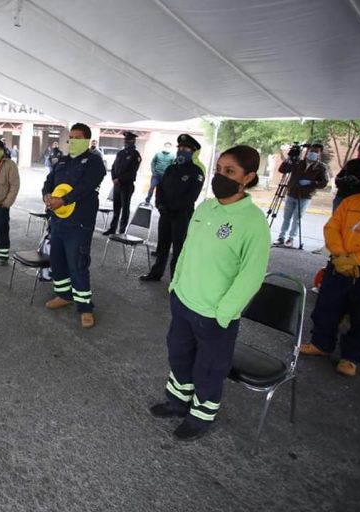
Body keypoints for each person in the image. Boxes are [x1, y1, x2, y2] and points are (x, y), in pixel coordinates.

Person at [150, 145, 270, 441]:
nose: (220, 176)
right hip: (184, 301)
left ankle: (201, 417)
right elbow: (187, 250)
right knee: (179, 355)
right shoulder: (206, 207)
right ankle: (177, 403)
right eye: (218, 169)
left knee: (208, 368)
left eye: (230, 171)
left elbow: (251, 276)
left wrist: (224, 312)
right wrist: (175, 285)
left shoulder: (253, 222)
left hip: (215, 314)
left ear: (249, 177)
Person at [300, 159, 360, 377]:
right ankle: (321, 343)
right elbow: (332, 227)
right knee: (327, 305)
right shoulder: (352, 202)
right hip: (339, 263)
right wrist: (339, 255)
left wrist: (358, 258)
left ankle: (351, 357)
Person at [42, 123, 105, 329]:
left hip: (79, 222)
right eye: (71, 137)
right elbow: (49, 181)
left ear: (86, 140)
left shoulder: (94, 162)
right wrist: (47, 195)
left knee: (78, 264)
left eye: (77, 137)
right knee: (57, 260)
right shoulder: (62, 161)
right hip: (58, 220)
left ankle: (85, 307)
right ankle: (64, 295)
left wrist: (64, 200)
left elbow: (86, 187)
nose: (73, 141)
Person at [140, 134, 205, 282]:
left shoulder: (196, 172)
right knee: (162, 246)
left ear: (193, 152)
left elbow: (191, 196)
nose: (181, 151)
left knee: (179, 249)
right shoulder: (171, 169)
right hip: (166, 214)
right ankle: (156, 273)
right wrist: (161, 205)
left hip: (182, 215)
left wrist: (174, 208)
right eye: (180, 148)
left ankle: (176, 278)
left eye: (186, 149)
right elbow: (160, 189)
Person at [274, 143, 329, 247]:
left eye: (316, 151)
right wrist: (289, 158)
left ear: (320, 154)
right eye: (311, 151)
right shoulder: (299, 163)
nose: (312, 153)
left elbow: (324, 183)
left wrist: (311, 183)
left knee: (297, 218)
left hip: (305, 196)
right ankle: (281, 237)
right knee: (287, 217)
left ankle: (291, 238)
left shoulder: (321, 167)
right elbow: (282, 170)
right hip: (291, 193)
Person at [103, 131, 142, 235]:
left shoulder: (135, 155)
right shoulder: (121, 153)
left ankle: (122, 230)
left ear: (133, 141)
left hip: (126, 185)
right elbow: (113, 166)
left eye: (128, 140)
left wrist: (119, 180)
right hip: (117, 185)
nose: (126, 142)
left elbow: (132, 171)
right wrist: (114, 178)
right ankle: (112, 228)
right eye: (125, 140)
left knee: (125, 209)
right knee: (116, 208)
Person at [333, 140, 360, 212]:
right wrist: (344, 180)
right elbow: (338, 178)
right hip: (342, 196)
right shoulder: (351, 163)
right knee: (336, 219)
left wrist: (359, 183)